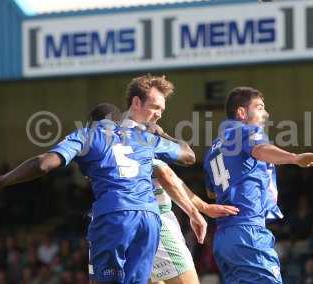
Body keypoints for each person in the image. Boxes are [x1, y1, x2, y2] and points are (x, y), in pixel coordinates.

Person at [0, 75, 201, 284]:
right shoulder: (144, 137)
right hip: (149, 220)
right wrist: (161, 133)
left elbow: (43, 164)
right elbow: (189, 156)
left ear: (92, 122)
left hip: (114, 216)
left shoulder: (87, 134)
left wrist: (1, 180)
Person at [88, 103, 238, 284]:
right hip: (152, 221)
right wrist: (194, 212)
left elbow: (172, 179)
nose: (157, 117)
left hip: (108, 223)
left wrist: (204, 206)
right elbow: (167, 175)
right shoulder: (134, 140)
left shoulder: (96, 150)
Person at [203, 86, 313, 284]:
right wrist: (294, 158)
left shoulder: (212, 149)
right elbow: (261, 149)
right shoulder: (247, 131)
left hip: (224, 238)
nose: (266, 113)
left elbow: (211, 192)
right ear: (242, 112)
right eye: (260, 107)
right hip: (248, 231)